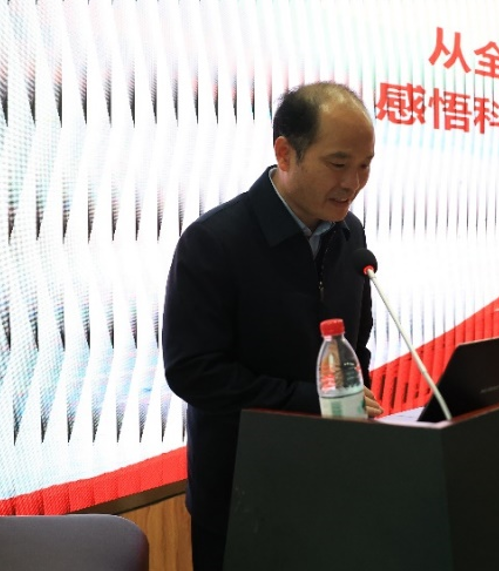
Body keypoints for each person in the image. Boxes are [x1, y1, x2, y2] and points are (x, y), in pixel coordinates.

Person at [162, 81, 384, 571]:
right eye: (338, 164)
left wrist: (353, 407)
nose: (353, 183)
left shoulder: (350, 233)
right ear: (285, 153)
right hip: (244, 493)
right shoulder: (214, 242)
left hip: (333, 480)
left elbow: (357, 339)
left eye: (365, 166)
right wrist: (312, 402)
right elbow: (194, 372)